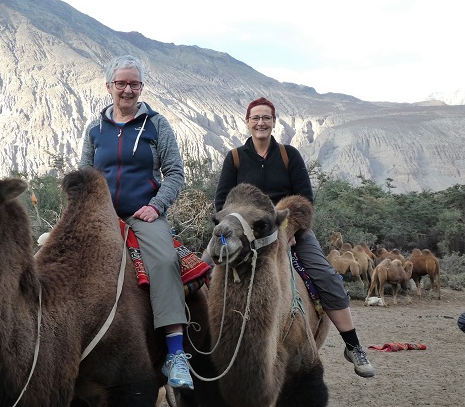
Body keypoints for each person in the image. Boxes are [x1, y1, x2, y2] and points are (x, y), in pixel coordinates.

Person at [214, 96, 375, 378]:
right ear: (247, 122)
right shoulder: (236, 157)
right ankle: (193, 350)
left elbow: (305, 199)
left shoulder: (289, 155)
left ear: (274, 122)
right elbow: (221, 202)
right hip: (243, 233)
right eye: (256, 118)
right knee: (201, 272)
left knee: (326, 276)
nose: (261, 122)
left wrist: (289, 229)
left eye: (266, 118)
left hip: (290, 231)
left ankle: (353, 345)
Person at [79, 55, 192, 389]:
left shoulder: (157, 125)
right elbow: (85, 174)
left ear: (141, 87)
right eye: (121, 83)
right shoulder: (95, 130)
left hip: (143, 214)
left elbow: (175, 173)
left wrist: (156, 207)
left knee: (165, 260)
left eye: (134, 84)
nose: (127, 90)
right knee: (55, 255)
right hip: (100, 216)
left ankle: (175, 354)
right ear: (109, 86)